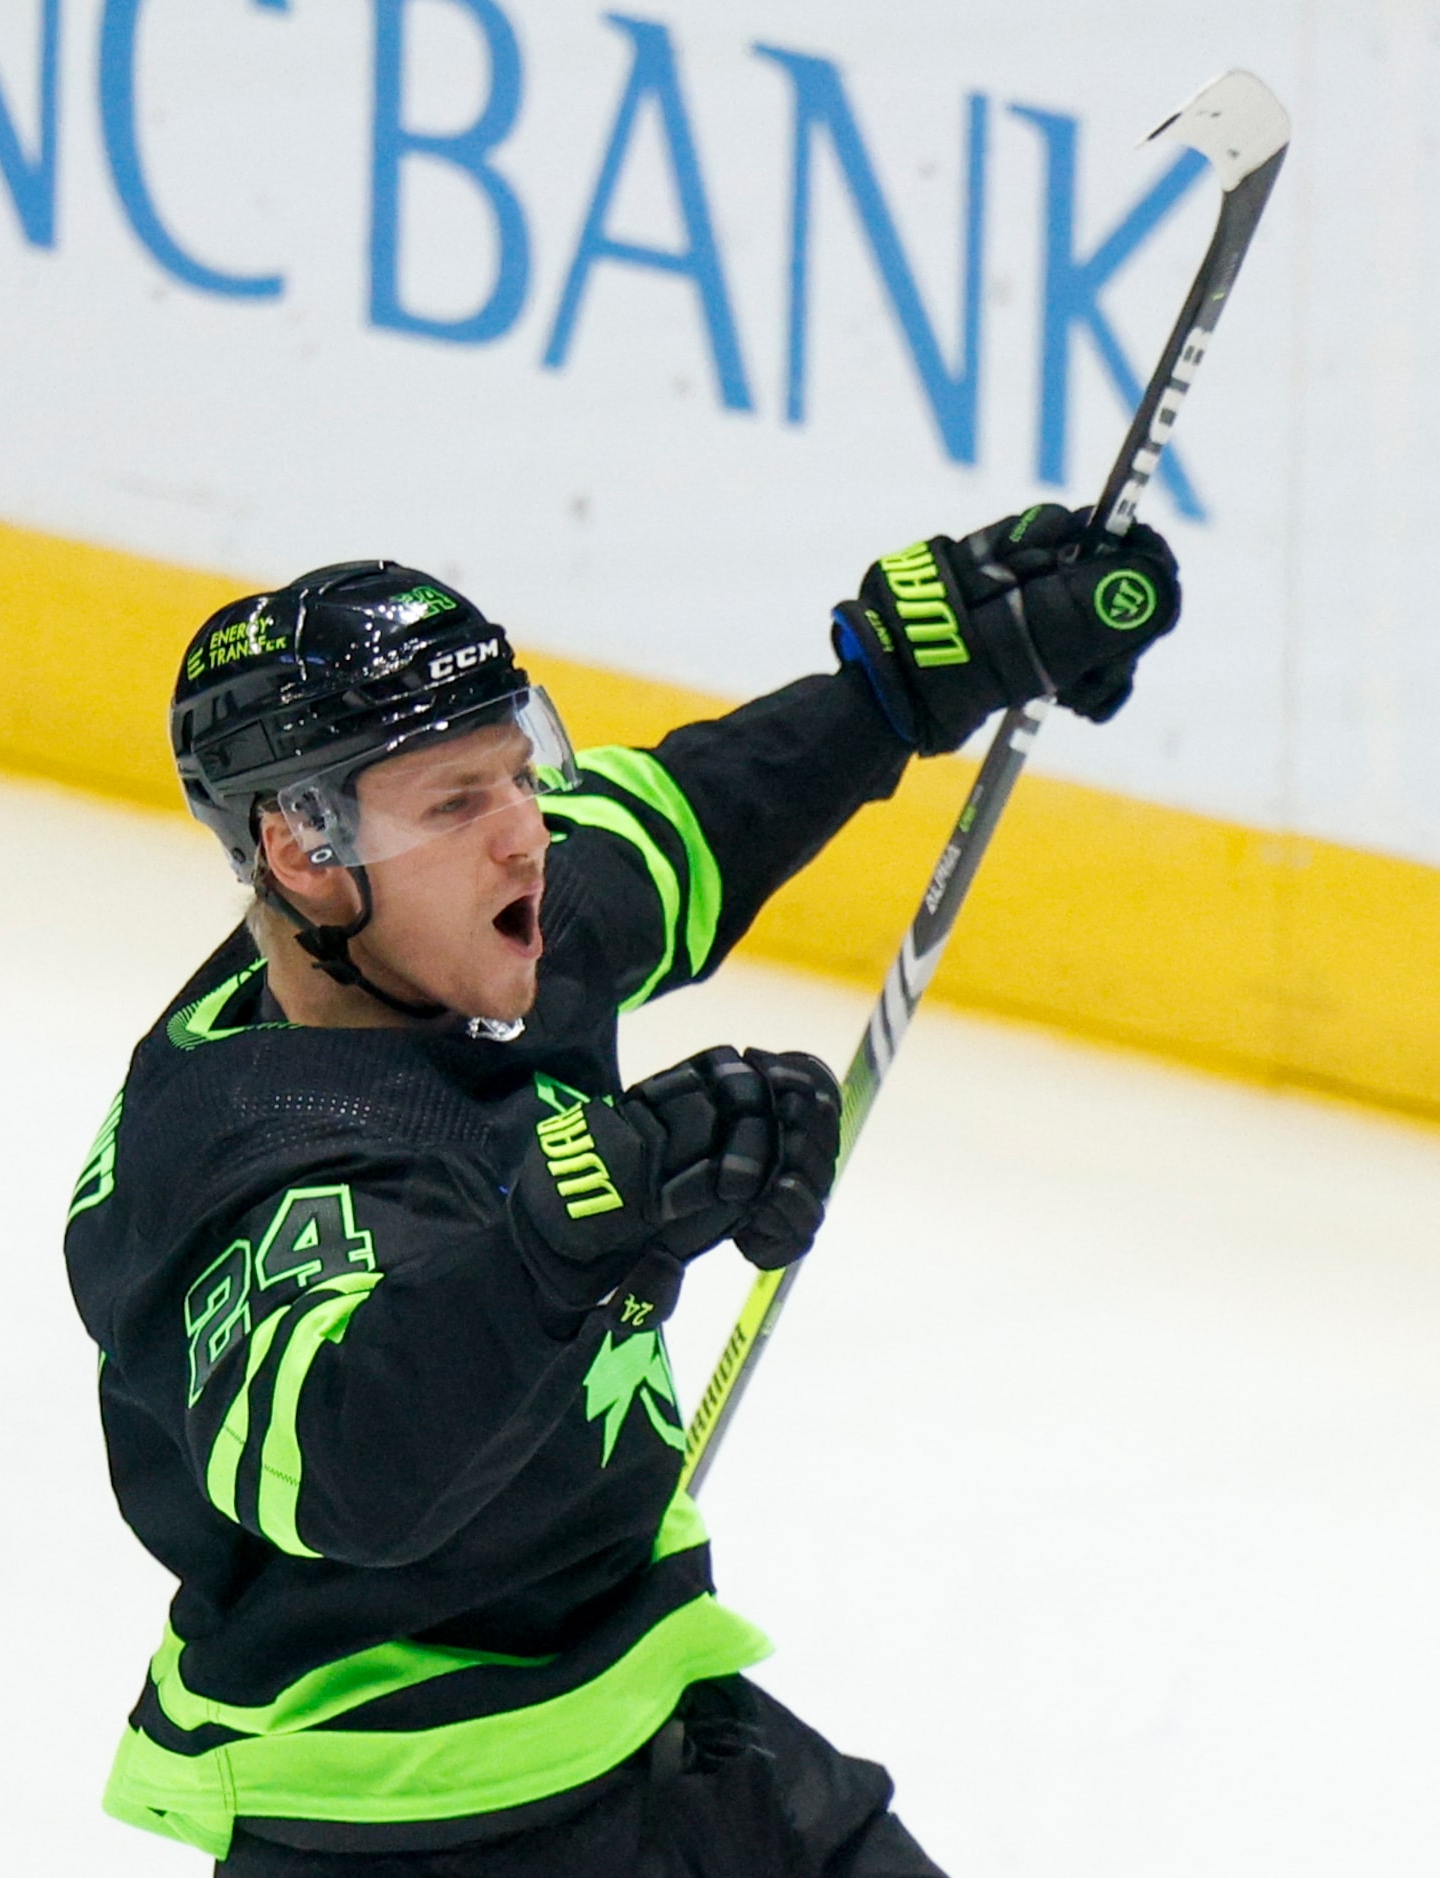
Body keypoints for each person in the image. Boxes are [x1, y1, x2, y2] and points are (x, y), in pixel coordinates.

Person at [63, 504, 1178, 1875]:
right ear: (303, 851)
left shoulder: (459, 921)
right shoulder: (231, 1152)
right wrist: (574, 1227)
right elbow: (348, 1464)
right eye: (457, 803)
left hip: (664, 1727)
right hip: (398, 1811)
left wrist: (894, 687)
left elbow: (685, 817)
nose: (523, 836)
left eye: (518, 773)